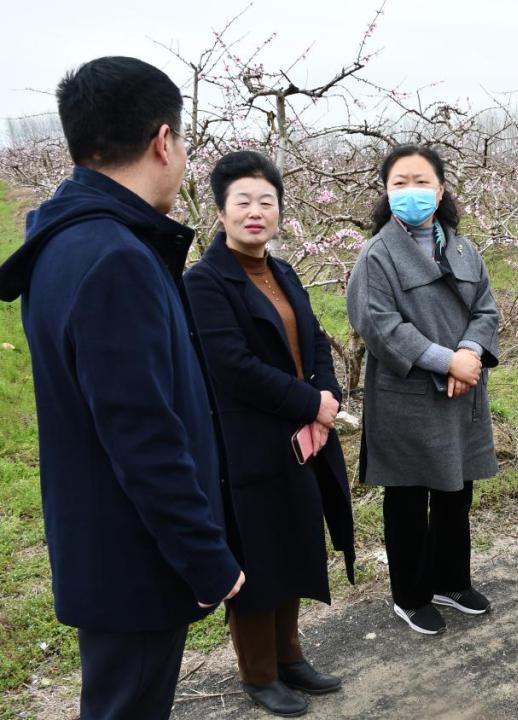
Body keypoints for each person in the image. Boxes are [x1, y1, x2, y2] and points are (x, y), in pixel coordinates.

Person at [0, 57, 244, 720]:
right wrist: (208, 561)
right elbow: (144, 437)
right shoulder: (114, 259)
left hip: (107, 547)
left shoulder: (68, 240)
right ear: (164, 141)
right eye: (185, 141)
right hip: (135, 560)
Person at [184, 151, 356, 716]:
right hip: (247, 443)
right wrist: (313, 403)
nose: (256, 212)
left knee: (293, 542)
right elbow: (230, 365)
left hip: (299, 437)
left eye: (267, 202)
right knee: (256, 555)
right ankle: (258, 674)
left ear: (280, 211)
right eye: (243, 202)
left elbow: (316, 339)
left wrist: (327, 396)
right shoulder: (205, 282)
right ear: (221, 210)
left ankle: (290, 657)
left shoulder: (283, 271)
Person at [347, 144, 499, 635]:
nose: (411, 192)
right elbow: (378, 324)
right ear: (386, 192)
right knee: (409, 496)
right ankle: (409, 595)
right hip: (408, 394)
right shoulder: (377, 254)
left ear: (441, 188)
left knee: (457, 489)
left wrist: (470, 354)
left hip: (462, 390)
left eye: (421, 182)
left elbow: (486, 310)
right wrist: (445, 360)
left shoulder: (463, 248)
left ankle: (450, 580)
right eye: (399, 183)